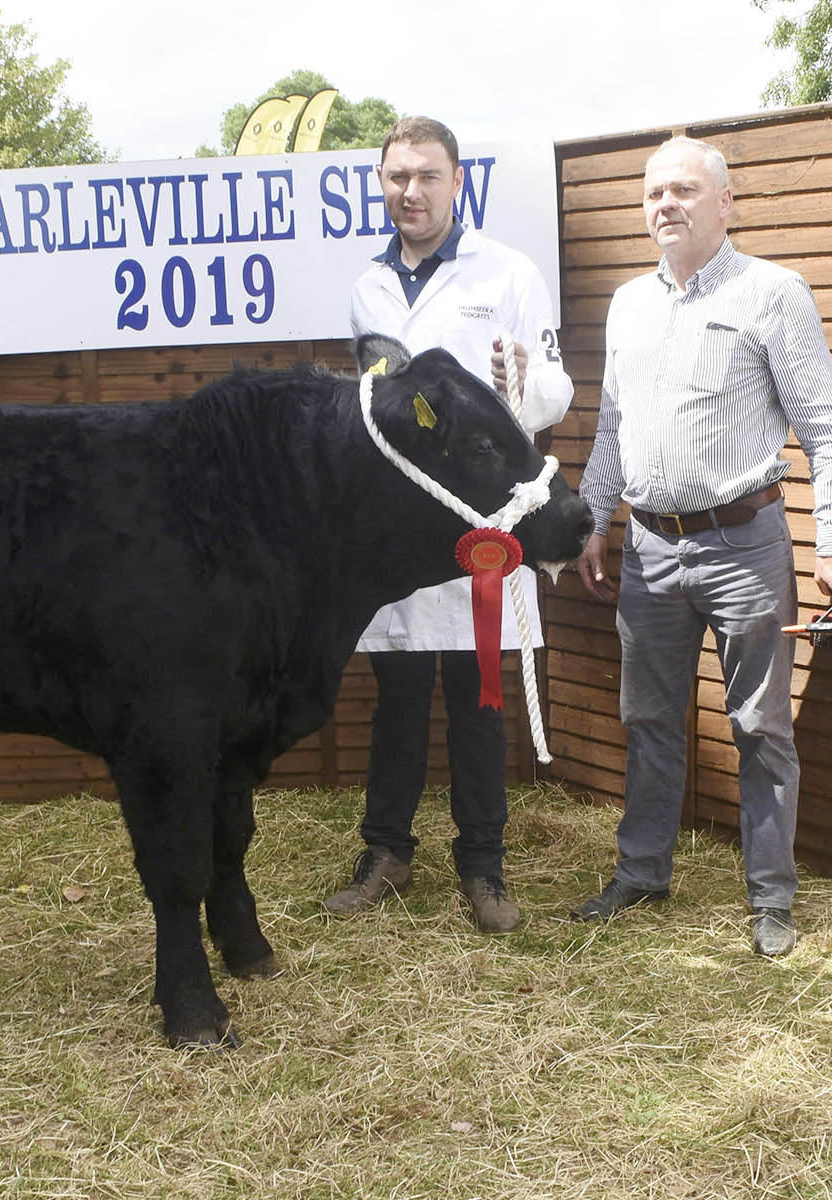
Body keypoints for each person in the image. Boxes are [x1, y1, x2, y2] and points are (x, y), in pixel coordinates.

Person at [571, 136, 832, 957]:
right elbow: (613, 432)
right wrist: (595, 521)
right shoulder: (628, 304)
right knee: (648, 719)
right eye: (654, 193)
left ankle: (771, 900)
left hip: (745, 547)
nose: (666, 204)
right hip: (649, 550)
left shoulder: (773, 293)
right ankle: (642, 874)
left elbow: (829, 433)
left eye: (684, 190)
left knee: (761, 726)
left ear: (726, 203)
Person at [324, 116, 573, 933]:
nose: (412, 192)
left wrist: (523, 379)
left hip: (480, 527)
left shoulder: (509, 273)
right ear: (382, 183)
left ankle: (484, 867)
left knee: (479, 700)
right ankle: (387, 852)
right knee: (396, 697)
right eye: (398, 176)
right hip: (398, 531)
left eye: (427, 175)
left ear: (457, 181)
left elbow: (553, 396)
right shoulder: (367, 288)